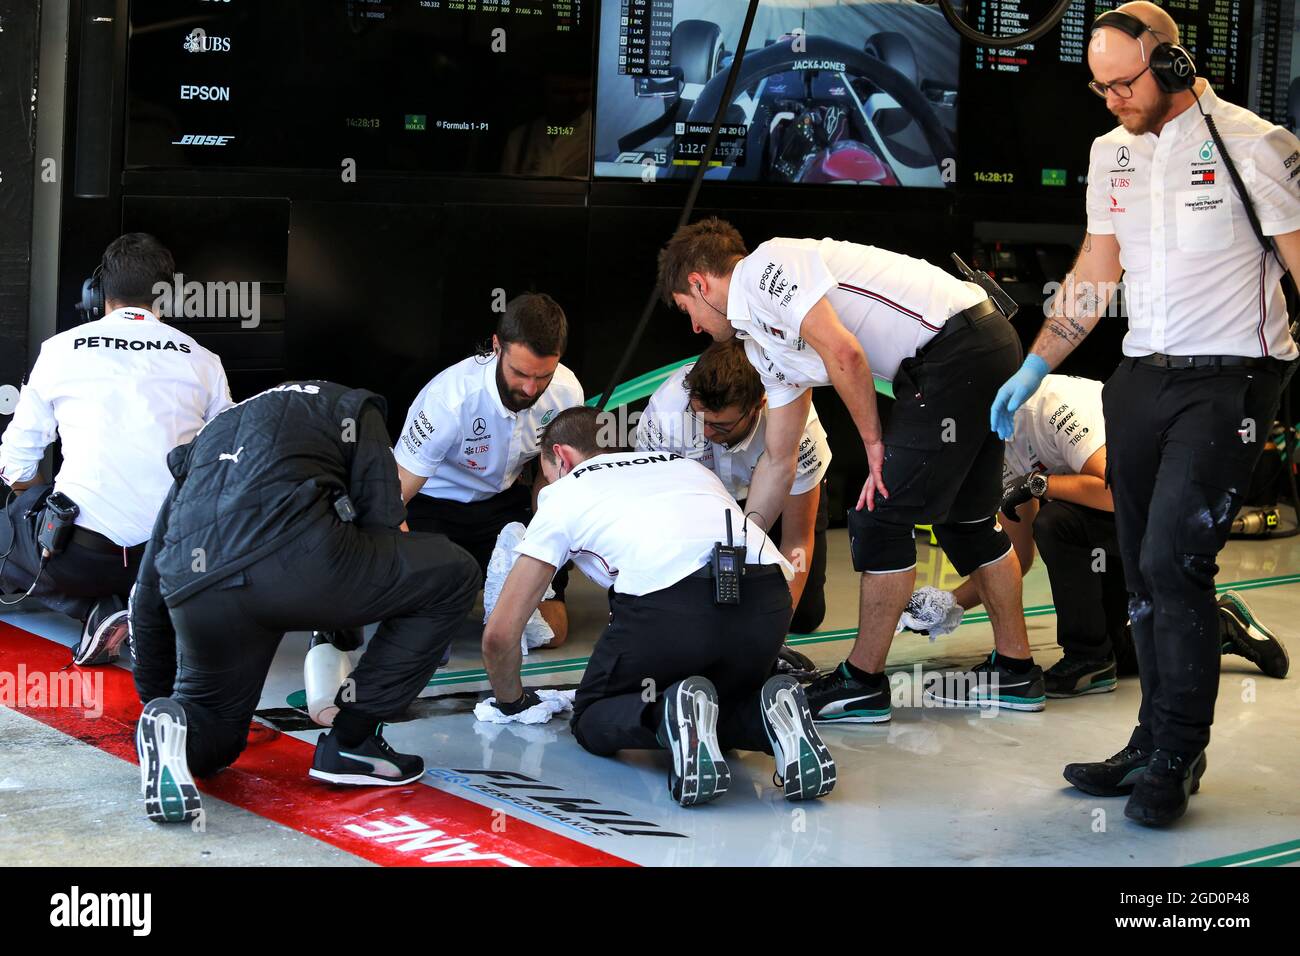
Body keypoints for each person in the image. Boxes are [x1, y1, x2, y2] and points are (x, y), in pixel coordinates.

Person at [989, 3, 1300, 825]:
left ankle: (1177, 753)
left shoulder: (1254, 146)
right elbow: (1097, 267)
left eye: (1124, 83)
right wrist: (1037, 359)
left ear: (1169, 64)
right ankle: (1148, 738)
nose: (1112, 99)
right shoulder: (1110, 152)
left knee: (1173, 561)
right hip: (1137, 379)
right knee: (1136, 568)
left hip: (1230, 380)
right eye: (1099, 86)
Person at [657, 217, 1039, 720]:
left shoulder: (764, 268)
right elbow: (779, 460)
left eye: (689, 310)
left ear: (699, 285)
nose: (694, 328)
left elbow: (845, 353)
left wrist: (874, 442)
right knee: (966, 523)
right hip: (980, 344)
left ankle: (860, 682)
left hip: (955, 349)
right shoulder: (763, 346)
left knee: (878, 517)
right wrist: (740, 544)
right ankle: (1017, 672)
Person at [129, 380, 480, 824]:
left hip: (199, 590)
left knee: (213, 743)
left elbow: (147, 589)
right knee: (453, 571)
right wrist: (353, 631)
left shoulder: (212, 432)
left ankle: (175, 731)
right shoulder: (355, 406)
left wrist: (157, 697)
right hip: (299, 565)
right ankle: (352, 743)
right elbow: (382, 525)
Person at [480, 407, 836, 807]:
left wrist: (513, 703)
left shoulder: (564, 491)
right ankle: (765, 718)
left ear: (560, 457)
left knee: (592, 717)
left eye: (546, 470)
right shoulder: (686, 468)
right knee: (717, 698)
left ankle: (666, 711)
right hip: (765, 599)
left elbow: (500, 633)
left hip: (673, 609)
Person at [909, 374, 1289, 696]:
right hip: (1127, 526)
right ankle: (1215, 625)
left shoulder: (1049, 406)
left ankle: (1086, 657)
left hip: (1171, 514)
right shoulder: (996, 445)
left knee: (1055, 522)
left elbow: (1116, 491)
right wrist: (948, 603)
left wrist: (1041, 483)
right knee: (1120, 652)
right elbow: (1015, 558)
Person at [0, 233, 230, 663]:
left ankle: (98, 609)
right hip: (172, 557)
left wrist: (40, 509)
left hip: (79, 556)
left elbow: (15, 463)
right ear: (165, 294)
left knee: (10, 527)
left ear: (97, 294)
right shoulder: (203, 359)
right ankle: (149, 611)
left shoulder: (60, 350)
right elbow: (230, 461)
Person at [395, 293, 584, 648]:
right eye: (520, 373)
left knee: (551, 633)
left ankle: (495, 589)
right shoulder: (447, 400)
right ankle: (459, 592)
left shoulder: (566, 391)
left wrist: (545, 539)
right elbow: (392, 498)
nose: (530, 389)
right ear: (497, 347)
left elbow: (549, 477)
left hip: (502, 504)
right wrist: (414, 575)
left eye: (542, 376)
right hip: (432, 507)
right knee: (428, 638)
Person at [636, 338, 833, 634]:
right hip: (699, 505)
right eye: (699, 418)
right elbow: (653, 517)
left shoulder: (799, 428)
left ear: (758, 406)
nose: (705, 431)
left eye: (721, 426)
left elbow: (797, 542)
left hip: (775, 503)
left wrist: (770, 637)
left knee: (804, 615)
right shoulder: (667, 412)